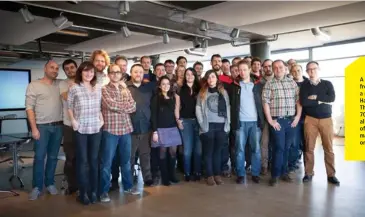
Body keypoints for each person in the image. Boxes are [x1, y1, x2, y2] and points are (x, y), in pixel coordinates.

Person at [99, 64, 140, 203]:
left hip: (126, 129)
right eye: (113, 72)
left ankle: (128, 186)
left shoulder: (125, 89)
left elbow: (133, 106)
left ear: (121, 74)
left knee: (126, 161)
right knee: (106, 163)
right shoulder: (104, 89)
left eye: (118, 72)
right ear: (109, 74)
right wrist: (124, 106)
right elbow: (110, 105)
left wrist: (122, 106)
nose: (115, 74)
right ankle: (103, 191)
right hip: (110, 130)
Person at [26, 60, 63, 200]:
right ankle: (37, 187)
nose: (55, 70)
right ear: (45, 68)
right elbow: (29, 108)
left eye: (57, 68)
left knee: (53, 157)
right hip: (42, 126)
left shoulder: (59, 84)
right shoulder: (34, 85)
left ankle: (50, 183)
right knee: (40, 157)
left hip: (58, 126)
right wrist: (34, 129)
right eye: (52, 67)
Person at [68, 61, 103, 205]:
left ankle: (93, 192)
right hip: (81, 128)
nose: (89, 74)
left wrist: (101, 120)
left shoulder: (98, 88)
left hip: (96, 128)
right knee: (83, 162)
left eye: (91, 72)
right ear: (80, 72)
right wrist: (73, 121)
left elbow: (99, 107)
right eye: (86, 71)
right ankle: (83, 193)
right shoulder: (74, 88)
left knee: (94, 161)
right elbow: (69, 107)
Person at [262, 60, 302, 186]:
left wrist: (297, 117)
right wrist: (270, 120)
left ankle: (284, 172)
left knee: (286, 148)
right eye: (275, 67)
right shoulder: (269, 84)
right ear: (273, 70)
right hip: (277, 121)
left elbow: (298, 101)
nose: (278, 69)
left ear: (285, 69)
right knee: (279, 148)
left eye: (280, 67)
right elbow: (265, 103)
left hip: (291, 121)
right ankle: (274, 175)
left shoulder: (292, 83)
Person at [300, 61, 340, 185]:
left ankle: (331, 175)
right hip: (310, 119)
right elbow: (304, 102)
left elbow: (331, 98)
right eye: (309, 69)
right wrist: (321, 100)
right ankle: (308, 173)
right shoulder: (304, 86)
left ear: (319, 69)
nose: (312, 71)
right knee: (309, 148)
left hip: (326, 119)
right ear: (306, 72)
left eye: (314, 69)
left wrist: (315, 98)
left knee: (328, 148)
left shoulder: (327, 84)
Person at [229, 60, 265, 184]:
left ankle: (255, 173)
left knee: (256, 149)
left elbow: (263, 103)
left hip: (255, 123)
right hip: (240, 123)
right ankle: (240, 174)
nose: (242, 72)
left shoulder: (258, 84)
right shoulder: (234, 85)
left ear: (249, 69)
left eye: (245, 69)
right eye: (240, 70)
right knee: (239, 150)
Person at [196, 70, 230, 186]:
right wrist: (202, 124)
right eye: (209, 77)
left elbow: (228, 108)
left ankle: (217, 174)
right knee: (208, 152)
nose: (211, 79)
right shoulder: (202, 92)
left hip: (221, 125)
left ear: (216, 78)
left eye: (213, 77)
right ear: (206, 80)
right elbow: (198, 109)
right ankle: (209, 175)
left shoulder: (223, 92)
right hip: (207, 126)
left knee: (218, 152)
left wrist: (227, 124)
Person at [151, 76, 182, 186]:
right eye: (163, 84)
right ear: (159, 86)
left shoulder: (173, 97)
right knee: (162, 154)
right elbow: (153, 116)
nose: (165, 86)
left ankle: (172, 175)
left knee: (173, 153)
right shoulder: (156, 98)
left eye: (167, 84)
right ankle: (165, 177)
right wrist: (155, 131)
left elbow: (175, 113)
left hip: (173, 128)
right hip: (161, 129)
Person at [127, 64, 155, 187]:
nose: (138, 74)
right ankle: (129, 177)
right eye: (135, 72)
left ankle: (147, 177)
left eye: (140, 72)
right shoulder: (125, 87)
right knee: (130, 156)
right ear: (131, 73)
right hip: (129, 128)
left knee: (145, 154)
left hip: (146, 127)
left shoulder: (148, 88)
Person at [179, 68, 202, 182]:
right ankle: (187, 172)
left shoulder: (200, 89)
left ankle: (197, 171)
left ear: (195, 76)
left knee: (198, 150)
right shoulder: (180, 89)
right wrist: (178, 120)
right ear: (185, 76)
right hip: (186, 121)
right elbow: (177, 106)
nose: (189, 76)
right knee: (187, 149)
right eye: (187, 74)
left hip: (199, 121)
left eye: (191, 74)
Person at [59, 59, 78, 195]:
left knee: (83, 157)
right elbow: (67, 97)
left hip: (84, 126)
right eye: (67, 69)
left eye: (72, 67)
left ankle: (83, 183)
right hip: (69, 126)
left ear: (77, 68)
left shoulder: (84, 80)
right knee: (70, 157)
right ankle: (72, 185)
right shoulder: (62, 83)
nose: (70, 70)